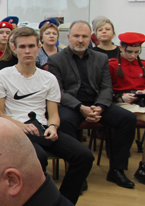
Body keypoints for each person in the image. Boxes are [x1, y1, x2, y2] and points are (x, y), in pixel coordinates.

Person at [0, 27, 94, 204]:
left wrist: (53, 127)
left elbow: (53, 114)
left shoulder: (49, 78)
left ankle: (64, 203)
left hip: (42, 128)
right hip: (14, 131)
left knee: (84, 156)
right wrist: (20, 125)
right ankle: (34, 205)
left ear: (39, 47)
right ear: (14, 48)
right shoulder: (2, 76)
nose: (27, 51)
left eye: (31, 46)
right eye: (22, 46)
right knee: (39, 157)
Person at [48, 21, 136, 189]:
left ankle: (117, 170)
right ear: (69, 37)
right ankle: (77, 174)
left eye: (84, 36)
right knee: (63, 121)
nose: (80, 40)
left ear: (91, 38)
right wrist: (81, 107)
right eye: (76, 36)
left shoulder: (101, 58)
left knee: (128, 119)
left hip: (97, 103)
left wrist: (100, 106)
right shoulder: (56, 60)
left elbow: (106, 87)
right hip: (72, 105)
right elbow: (58, 91)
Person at [109, 32, 145, 184]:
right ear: (121, 48)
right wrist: (120, 97)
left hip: (140, 101)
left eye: (136, 52)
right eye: (129, 51)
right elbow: (105, 90)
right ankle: (143, 168)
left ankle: (143, 166)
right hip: (121, 102)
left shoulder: (142, 64)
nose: (133, 55)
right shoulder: (112, 65)